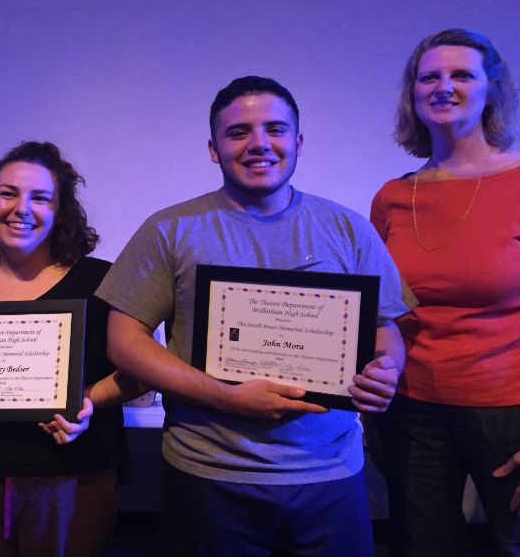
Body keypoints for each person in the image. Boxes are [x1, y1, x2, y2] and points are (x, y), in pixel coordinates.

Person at [96, 76, 410, 556]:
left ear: (298, 142)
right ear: (213, 148)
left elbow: (385, 327)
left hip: (329, 472)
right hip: (209, 472)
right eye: (238, 132)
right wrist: (227, 398)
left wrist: (388, 368)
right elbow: (124, 341)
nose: (259, 143)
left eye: (276, 130)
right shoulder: (169, 229)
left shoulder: (348, 229)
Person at [370, 28, 520, 556]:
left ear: (491, 90)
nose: (444, 87)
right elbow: (382, 320)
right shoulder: (393, 198)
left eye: (462, 75)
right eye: (430, 77)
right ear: (413, 94)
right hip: (413, 413)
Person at [0, 141, 142, 556]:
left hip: (73, 478)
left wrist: (87, 401)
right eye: (8, 193)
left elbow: (140, 374)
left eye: (40, 197)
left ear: (60, 211)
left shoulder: (101, 280)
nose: (22, 208)